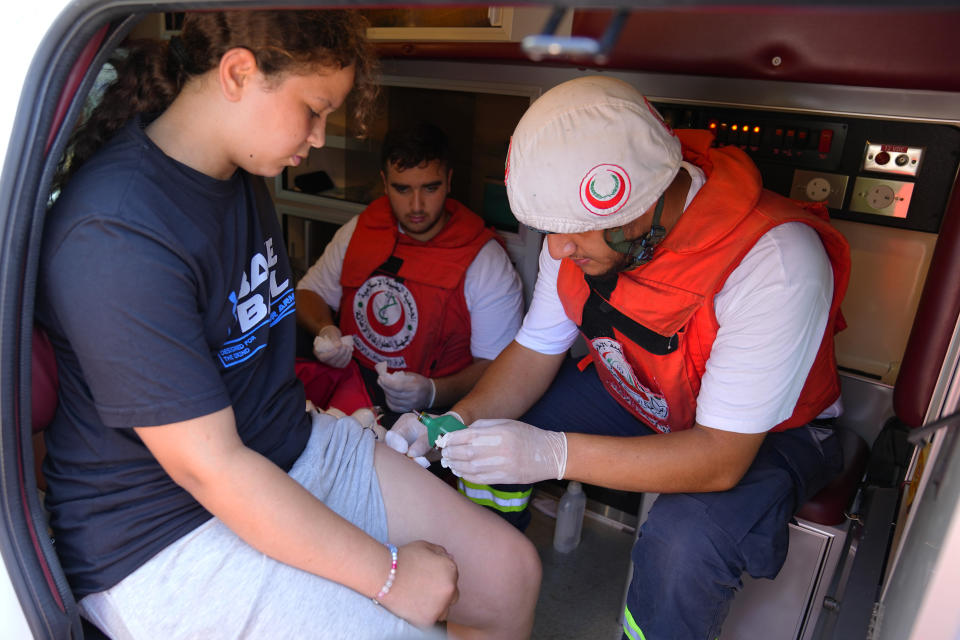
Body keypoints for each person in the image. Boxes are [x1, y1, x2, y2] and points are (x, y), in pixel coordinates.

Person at [36, 11, 539, 640]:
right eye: (313, 110)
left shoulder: (242, 175)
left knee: (510, 574)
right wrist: (389, 576)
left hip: (284, 447)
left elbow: (247, 350)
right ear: (239, 73)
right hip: (161, 528)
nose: (321, 139)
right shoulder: (117, 231)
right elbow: (208, 467)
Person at [387, 76, 850, 639]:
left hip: (772, 434)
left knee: (685, 542)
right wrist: (454, 421)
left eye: (573, 232)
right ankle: (484, 592)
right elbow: (535, 351)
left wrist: (551, 455)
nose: (556, 250)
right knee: (492, 430)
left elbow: (719, 457)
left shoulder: (774, 261)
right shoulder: (577, 230)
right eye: (549, 231)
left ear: (647, 201)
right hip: (646, 393)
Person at [294, 122, 523, 429]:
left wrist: (432, 391)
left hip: (431, 412)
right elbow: (309, 292)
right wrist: (325, 330)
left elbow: (499, 368)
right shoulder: (363, 228)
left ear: (449, 181)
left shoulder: (484, 260)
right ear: (384, 182)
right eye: (402, 189)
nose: (417, 206)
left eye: (430, 187)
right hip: (350, 384)